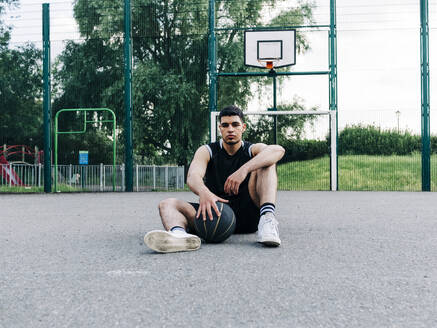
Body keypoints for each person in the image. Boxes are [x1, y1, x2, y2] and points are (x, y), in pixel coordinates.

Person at [144, 105, 285, 253]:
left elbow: (278, 150)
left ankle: (267, 219)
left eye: (235, 124)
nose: (230, 129)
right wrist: (203, 192)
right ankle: (179, 236)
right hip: (214, 216)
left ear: (243, 127)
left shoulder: (252, 149)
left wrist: (244, 170)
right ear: (220, 128)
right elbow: (193, 177)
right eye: (225, 125)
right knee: (167, 204)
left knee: (267, 163)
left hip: (250, 216)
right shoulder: (207, 151)